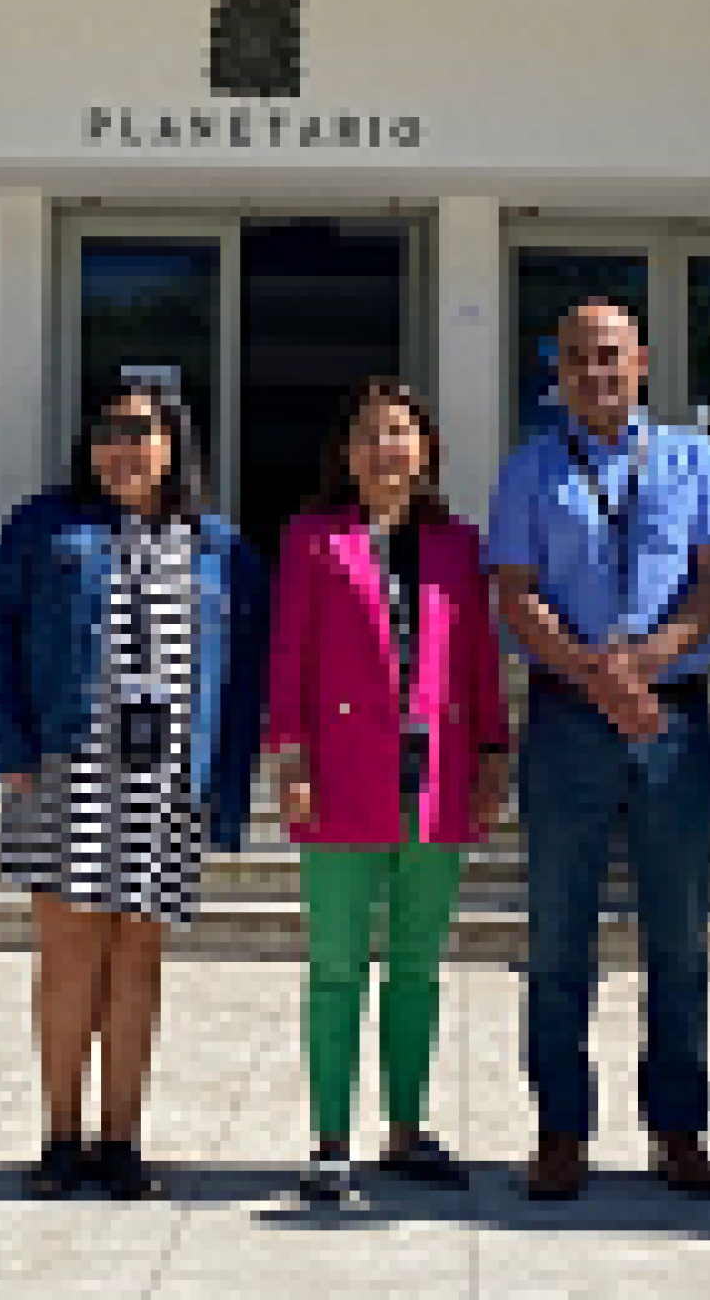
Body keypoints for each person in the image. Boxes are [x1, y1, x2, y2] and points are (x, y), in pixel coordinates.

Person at [0, 372, 268, 1202]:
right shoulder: (45, 526)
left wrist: (227, 779)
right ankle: (61, 1137)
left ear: (174, 443)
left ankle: (122, 1139)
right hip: (66, 767)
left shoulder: (218, 548)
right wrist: (8, 743)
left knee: (138, 958)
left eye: (139, 431)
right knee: (68, 960)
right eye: (107, 432)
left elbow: (243, 674)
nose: (121, 448)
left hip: (164, 779)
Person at [489, 301, 710, 1201]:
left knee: (678, 936)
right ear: (556, 371)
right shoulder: (530, 467)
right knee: (558, 936)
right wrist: (594, 674)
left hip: (671, 718)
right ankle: (560, 1128)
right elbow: (515, 591)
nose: (594, 372)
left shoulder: (696, 459)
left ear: (641, 361)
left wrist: (645, 664)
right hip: (568, 719)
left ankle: (678, 1128)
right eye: (575, 358)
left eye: (609, 356)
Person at [263, 378, 511, 1204]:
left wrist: (492, 753)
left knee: (417, 962)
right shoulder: (312, 539)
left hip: (435, 775)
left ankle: (406, 1128)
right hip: (340, 772)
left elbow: (478, 660)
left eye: (400, 431)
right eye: (369, 433)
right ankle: (330, 1138)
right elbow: (289, 654)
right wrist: (290, 754)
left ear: (426, 447)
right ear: (346, 452)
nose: (385, 448)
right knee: (337, 963)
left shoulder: (458, 545)